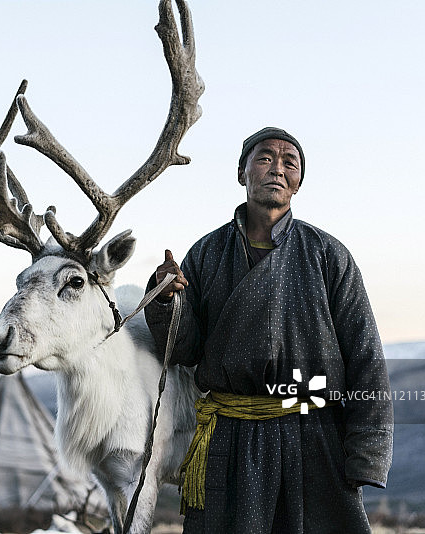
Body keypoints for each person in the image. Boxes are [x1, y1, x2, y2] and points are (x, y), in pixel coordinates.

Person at [144, 127, 393, 534]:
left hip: (313, 438)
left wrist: (366, 452)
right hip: (230, 438)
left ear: (298, 182)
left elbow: (366, 356)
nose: (276, 168)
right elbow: (186, 350)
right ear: (242, 172)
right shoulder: (206, 253)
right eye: (263, 158)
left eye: (288, 162)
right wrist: (166, 300)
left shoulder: (328, 255)